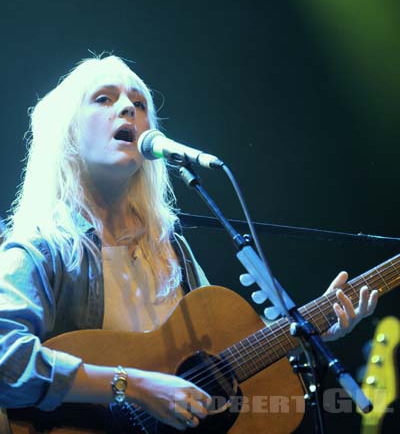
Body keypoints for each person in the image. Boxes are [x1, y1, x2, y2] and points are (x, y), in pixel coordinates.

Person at [0, 55, 378, 431]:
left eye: (139, 103)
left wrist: (311, 331)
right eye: (104, 98)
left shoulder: (172, 251)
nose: (128, 108)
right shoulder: (39, 250)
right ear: (66, 132)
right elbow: (5, 359)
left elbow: (219, 366)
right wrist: (134, 386)